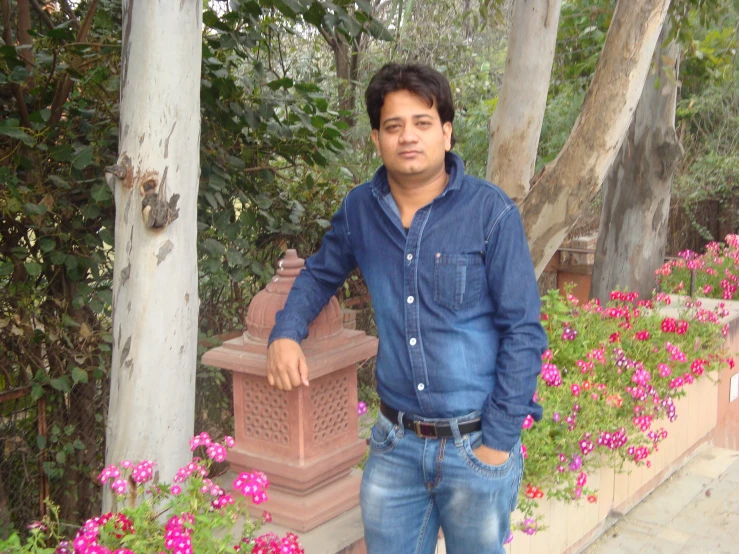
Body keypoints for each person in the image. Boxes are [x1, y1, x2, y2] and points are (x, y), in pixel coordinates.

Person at [266, 63, 547, 554]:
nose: (408, 137)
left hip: (476, 444)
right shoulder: (360, 211)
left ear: (446, 131)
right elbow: (319, 273)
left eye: (422, 123)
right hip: (395, 446)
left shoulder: (490, 212)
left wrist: (498, 443)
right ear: (376, 138)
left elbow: (523, 331)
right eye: (393, 126)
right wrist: (286, 333)